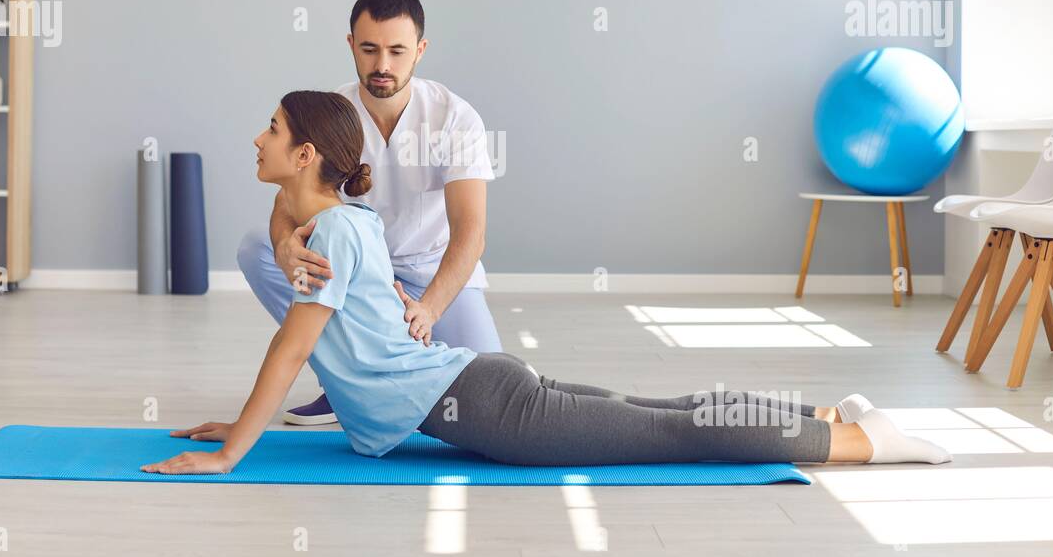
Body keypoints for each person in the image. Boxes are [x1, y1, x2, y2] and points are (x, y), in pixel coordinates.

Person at [143, 91, 952, 475]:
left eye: (273, 130)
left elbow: (293, 353)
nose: (258, 138)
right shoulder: (338, 229)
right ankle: (822, 412)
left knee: (667, 432)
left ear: (308, 154)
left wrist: (233, 452)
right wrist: (248, 424)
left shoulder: (329, 238)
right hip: (477, 387)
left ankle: (860, 442)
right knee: (654, 412)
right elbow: (343, 334)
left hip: (489, 405)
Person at [237, 0, 501, 426]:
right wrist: (284, 244)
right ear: (350, 45)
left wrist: (428, 310)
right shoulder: (334, 112)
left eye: (398, 51)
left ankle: (383, 371)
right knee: (255, 248)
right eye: (369, 49)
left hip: (434, 274)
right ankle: (343, 384)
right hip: (362, 275)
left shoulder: (455, 117)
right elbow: (289, 197)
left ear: (420, 49)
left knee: (490, 389)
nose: (382, 65)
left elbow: (471, 232)